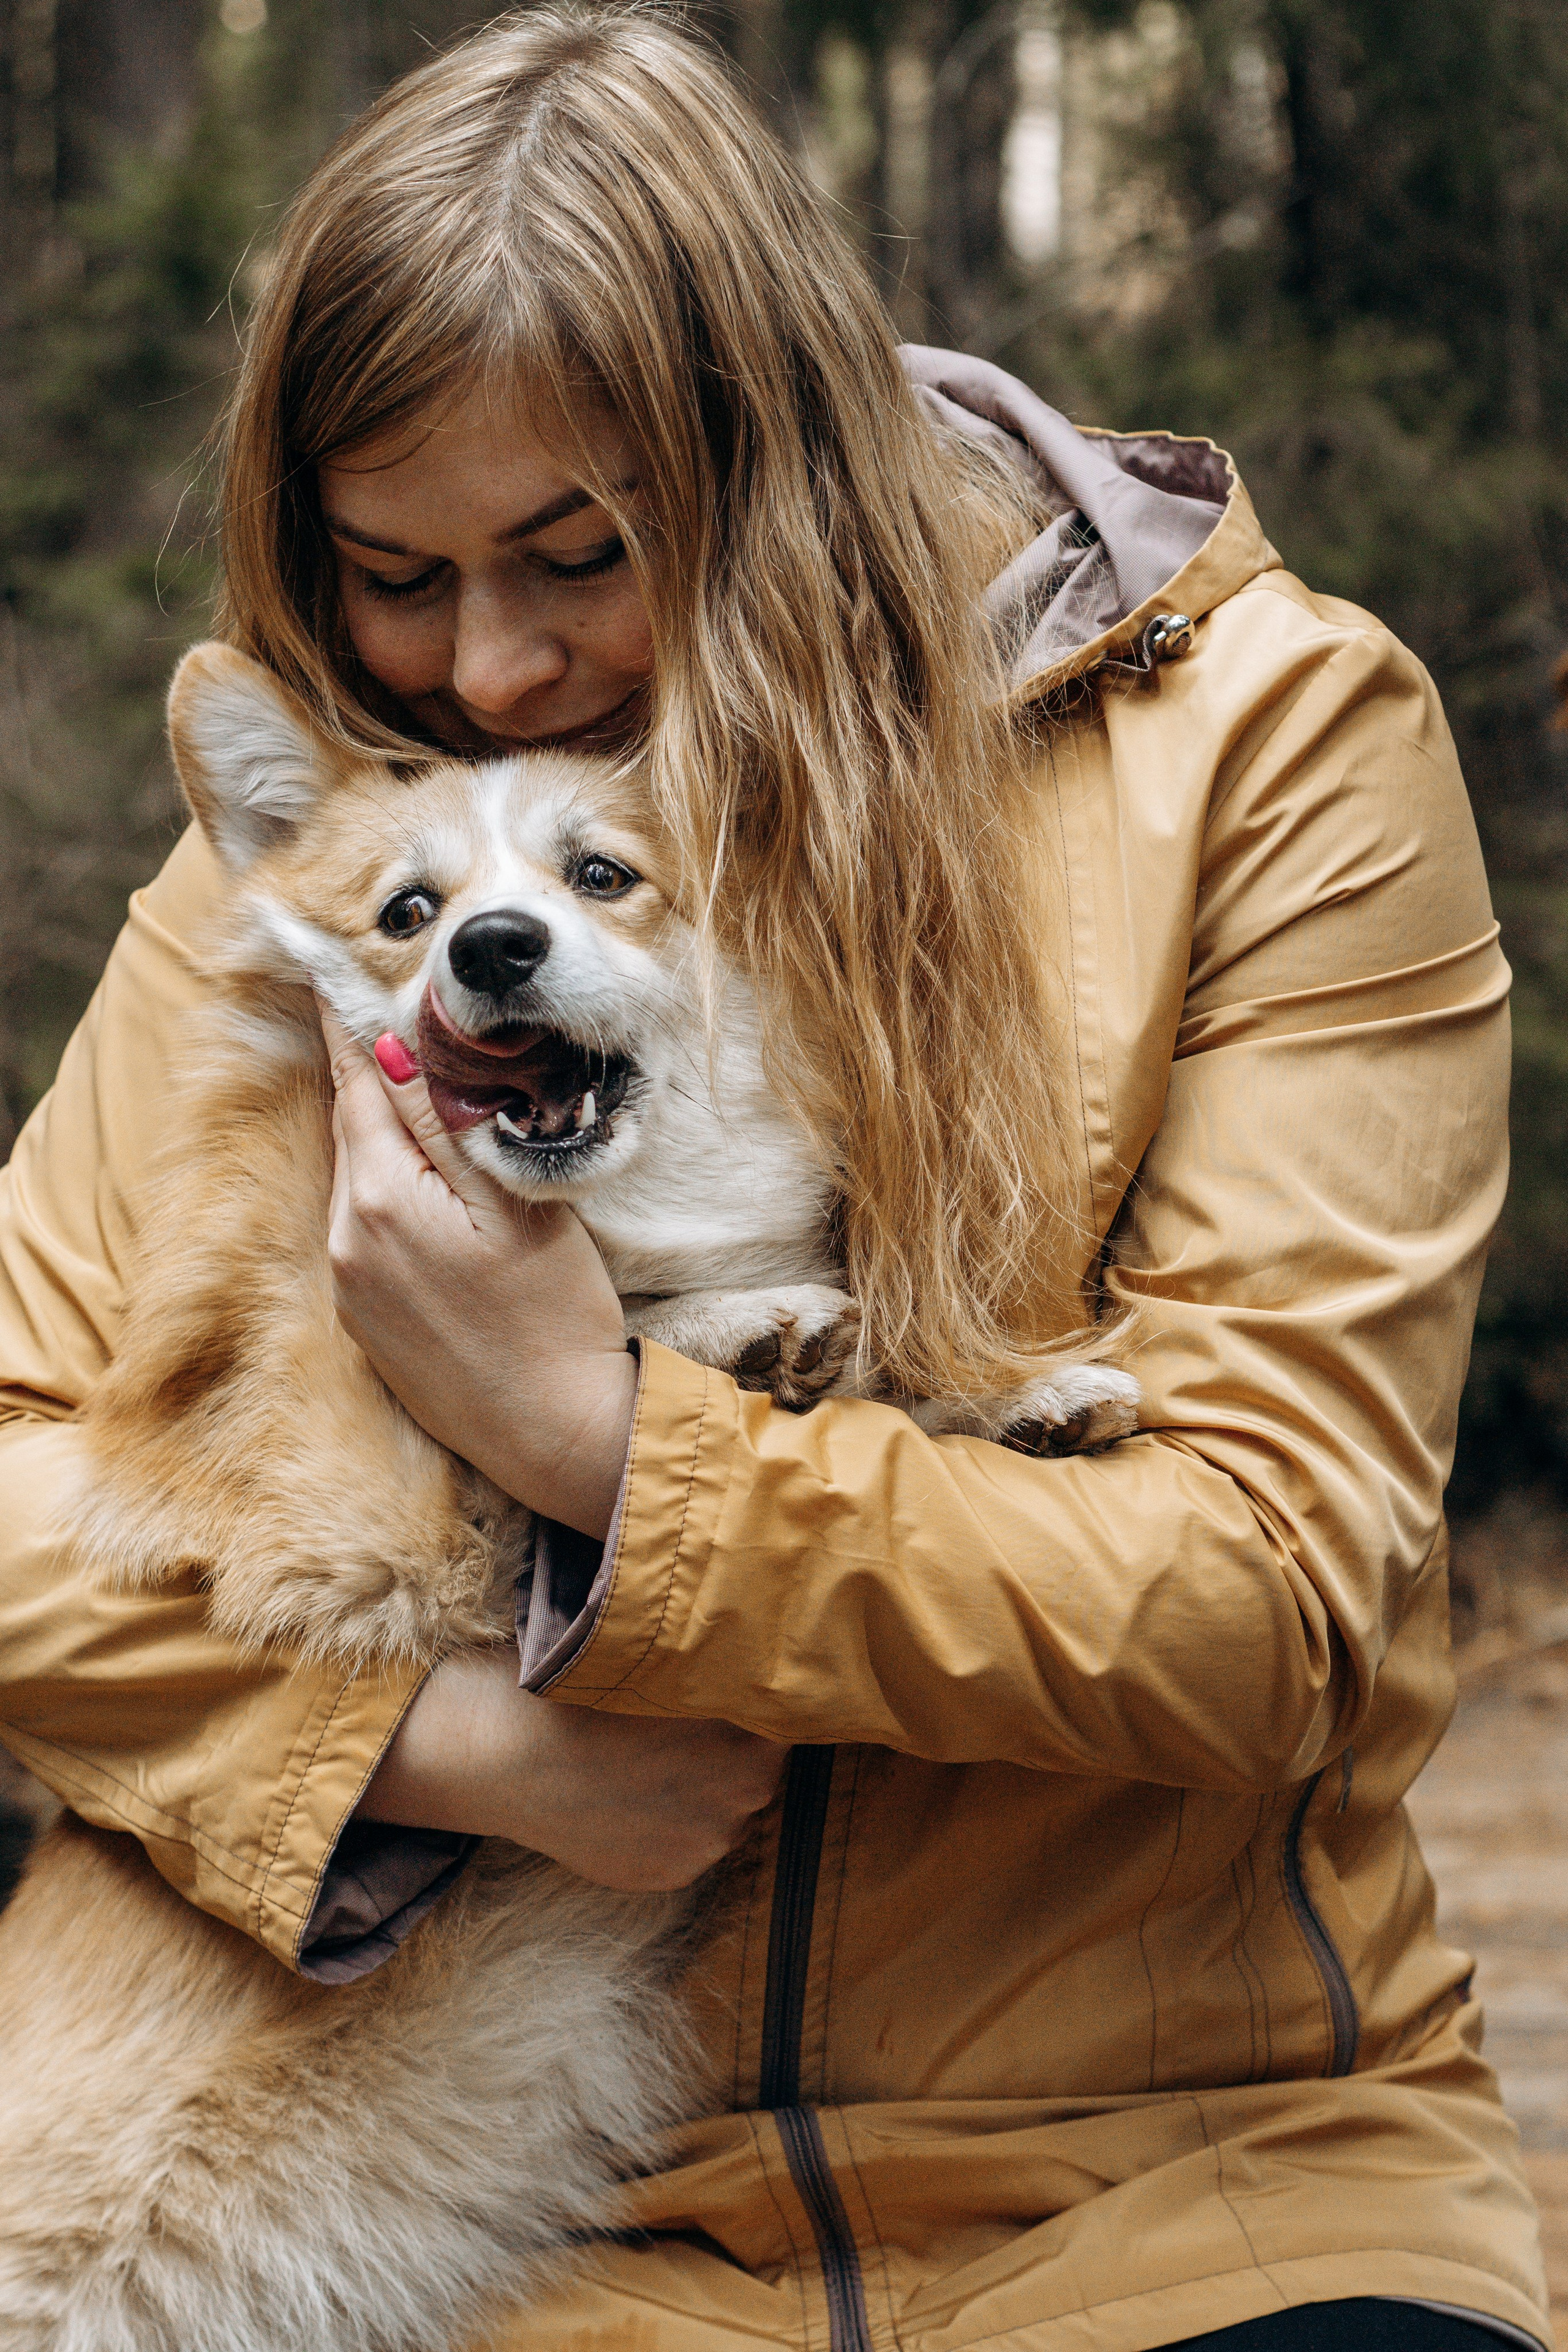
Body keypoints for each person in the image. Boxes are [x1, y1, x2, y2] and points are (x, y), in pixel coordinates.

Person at [0, 10, 1544, 2348]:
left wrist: (610, 1450)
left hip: (1185, 2189)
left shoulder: (1269, 748)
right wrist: (450, 1757)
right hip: (533, 2218)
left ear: (784, 454)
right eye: (390, 574)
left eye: (574, 552)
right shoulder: (364, 889)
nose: (491, 673)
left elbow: (1277, 1590)